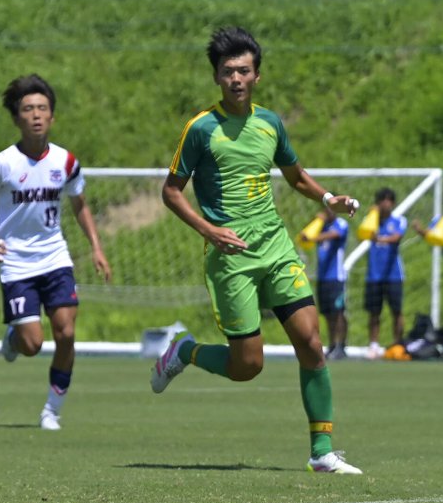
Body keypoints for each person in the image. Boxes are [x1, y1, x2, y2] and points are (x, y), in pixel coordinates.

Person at [149, 26, 363, 474]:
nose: (236, 79)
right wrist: (209, 230)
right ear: (216, 77)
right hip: (231, 258)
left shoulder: (270, 123)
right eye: (228, 71)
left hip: (276, 247)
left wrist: (328, 199)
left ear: (257, 76)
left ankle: (322, 451)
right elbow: (171, 192)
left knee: (312, 343)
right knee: (247, 366)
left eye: (244, 71)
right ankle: (185, 351)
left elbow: (295, 176)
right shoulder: (201, 129)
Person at [0, 75, 112, 431]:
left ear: (52, 116)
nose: (36, 115)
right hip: (16, 263)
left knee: (66, 333)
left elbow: (80, 205)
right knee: (32, 345)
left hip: (55, 258)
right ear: (16, 118)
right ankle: (15, 337)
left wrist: (96, 247)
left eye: (42, 108)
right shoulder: (2, 164)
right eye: (28, 109)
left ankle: (52, 410)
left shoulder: (66, 162)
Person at [301, 205, 350, 359]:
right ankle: (332, 345)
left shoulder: (341, 224)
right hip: (322, 277)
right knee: (328, 314)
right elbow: (304, 236)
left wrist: (313, 238)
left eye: (331, 209)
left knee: (338, 312)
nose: (327, 212)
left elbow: (334, 235)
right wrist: (316, 222)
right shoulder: (321, 226)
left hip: (336, 277)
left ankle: (341, 345)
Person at [363, 187, 406, 358]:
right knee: (374, 312)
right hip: (374, 275)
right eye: (382, 200)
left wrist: (379, 239)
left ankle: (398, 343)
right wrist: (372, 215)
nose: (386, 203)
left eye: (389, 200)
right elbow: (363, 233)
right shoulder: (371, 220)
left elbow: (396, 237)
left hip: (394, 275)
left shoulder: (399, 220)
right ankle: (373, 345)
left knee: (396, 311)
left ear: (393, 203)